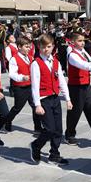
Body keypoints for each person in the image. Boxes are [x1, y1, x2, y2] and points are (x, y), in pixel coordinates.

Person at [30, 34, 72, 165]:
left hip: (55, 98)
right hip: (43, 99)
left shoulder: (55, 62)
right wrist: (37, 104)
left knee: (58, 129)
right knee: (49, 129)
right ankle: (36, 145)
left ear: (53, 46)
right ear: (39, 47)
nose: (46, 49)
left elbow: (61, 81)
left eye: (48, 46)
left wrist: (67, 99)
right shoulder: (36, 64)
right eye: (43, 47)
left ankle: (54, 154)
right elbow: (35, 85)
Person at [4, 36, 41, 133]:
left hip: (31, 86)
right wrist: (22, 77)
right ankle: (7, 121)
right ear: (19, 47)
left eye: (29, 47)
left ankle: (38, 128)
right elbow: (12, 74)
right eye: (26, 47)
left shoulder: (30, 57)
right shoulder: (14, 59)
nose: (29, 49)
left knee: (35, 105)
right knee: (17, 107)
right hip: (20, 87)